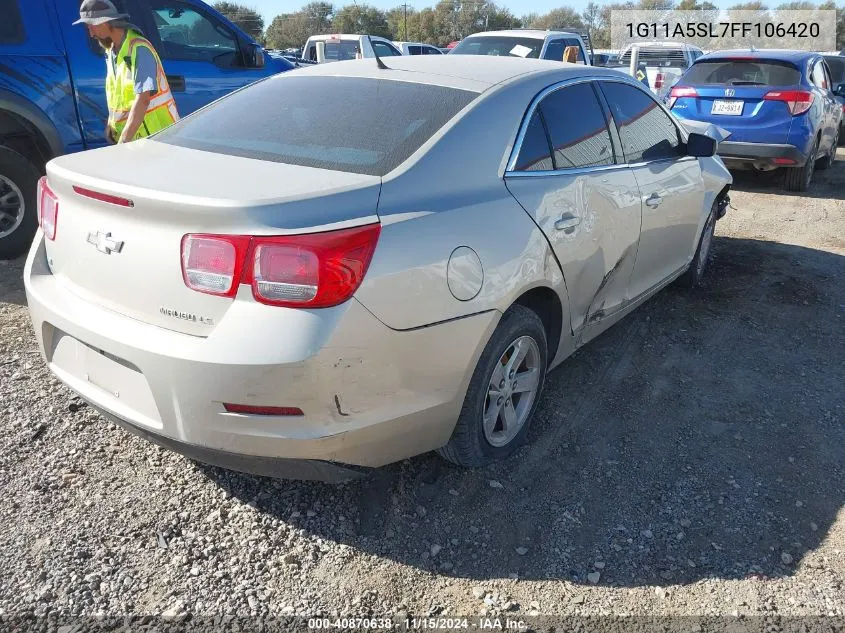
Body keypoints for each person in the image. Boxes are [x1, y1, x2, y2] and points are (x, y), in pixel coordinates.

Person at [73, 0, 179, 144]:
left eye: (91, 27)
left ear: (105, 22)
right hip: (136, 140)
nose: (91, 34)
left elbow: (143, 99)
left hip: (156, 138)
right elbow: (117, 97)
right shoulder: (112, 52)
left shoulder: (139, 48)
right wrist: (111, 124)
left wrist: (123, 141)